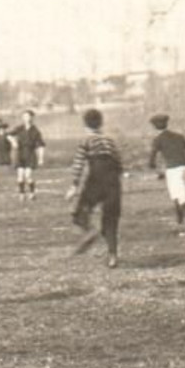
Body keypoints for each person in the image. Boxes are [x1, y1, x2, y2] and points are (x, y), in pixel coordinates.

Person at [68, 108, 123, 268]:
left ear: (85, 124)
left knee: (79, 212)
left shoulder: (86, 141)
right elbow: (119, 163)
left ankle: (89, 230)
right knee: (111, 219)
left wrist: (74, 185)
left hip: (96, 178)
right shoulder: (110, 141)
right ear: (101, 123)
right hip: (113, 181)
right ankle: (113, 256)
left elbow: (78, 164)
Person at [147, 113, 185, 236]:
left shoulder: (158, 140)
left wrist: (158, 171)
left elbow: (151, 161)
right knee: (177, 196)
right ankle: (180, 222)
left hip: (173, 170)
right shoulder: (179, 136)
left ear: (154, 127)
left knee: (181, 198)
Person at [8, 110, 46, 203]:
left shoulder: (35, 131)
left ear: (32, 118)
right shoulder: (19, 128)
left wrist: (41, 158)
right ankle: (21, 194)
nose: (26, 118)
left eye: (28, 116)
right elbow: (8, 135)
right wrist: (13, 141)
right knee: (20, 175)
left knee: (28, 176)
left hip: (30, 153)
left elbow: (41, 145)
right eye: (24, 116)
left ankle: (32, 193)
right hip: (20, 153)